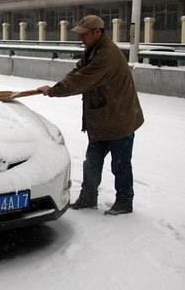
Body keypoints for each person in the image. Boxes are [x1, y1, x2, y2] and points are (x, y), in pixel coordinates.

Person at [36, 15, 144, 215]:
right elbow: (78, 71)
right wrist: (59, 85)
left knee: (120, 165)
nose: (81, 38)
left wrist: (54, 90)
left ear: (98, 32)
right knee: (92, 161)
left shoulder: (107, 55)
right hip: (103, 119)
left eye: (84, 34)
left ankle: (124, 202)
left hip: (119, 118)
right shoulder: (94, 50)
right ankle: (88, 197)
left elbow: (82, 80)